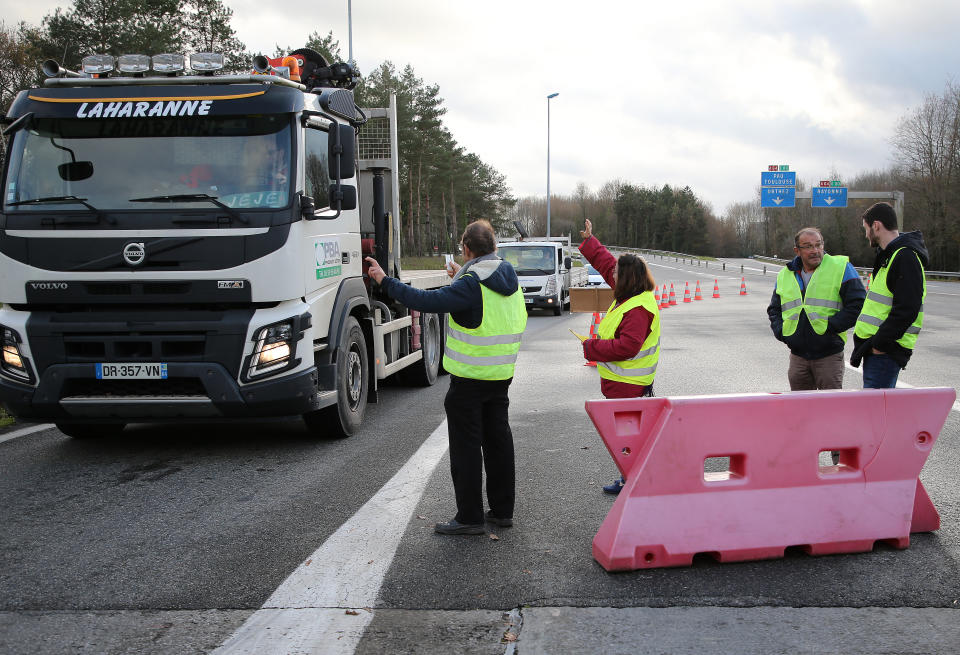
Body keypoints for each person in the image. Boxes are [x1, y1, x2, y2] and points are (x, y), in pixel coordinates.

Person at [365, 220, 527, 535]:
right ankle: (502, 510)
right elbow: (485, 307)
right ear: (494, 247)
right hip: (501, 375)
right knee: (498, 443)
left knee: (466, 449)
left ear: (467, 250)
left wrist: (385, 281)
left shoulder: (469, 283)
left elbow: (427, 301)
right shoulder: (509, 277)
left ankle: (469, 517)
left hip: (468, 380)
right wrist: (460, 279)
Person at [578, 219, 660, 495]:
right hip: (623, 383)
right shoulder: (632, 295)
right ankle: (631, 480)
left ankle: (631, 482)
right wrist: (591, 242)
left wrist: (592, 348)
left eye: (615, 273)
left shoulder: (637, 308)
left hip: (628, 384)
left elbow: (627, 347)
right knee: (627, 437)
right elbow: (606, 263)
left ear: (625, 279)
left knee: (628, 438)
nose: (610, 274)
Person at [766, 227, 865, 390]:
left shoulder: (840, 267)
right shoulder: (785, 274)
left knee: (830, 410)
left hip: (829, 355)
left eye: (818, 245)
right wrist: (782, 332)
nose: (815, 251)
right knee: (801, 410)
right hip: (798, 356)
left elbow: (858, 303)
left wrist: (831, 326)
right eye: (808, 246)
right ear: (797, 250)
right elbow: (774, 309)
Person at [851, 202, 929, 388]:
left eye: (866, 228)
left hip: (885, 352)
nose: (866, 234)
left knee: (877, 414)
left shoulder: (905, 257)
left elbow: (907, 309)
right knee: (876, 411)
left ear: (876, 226)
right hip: (878, 351)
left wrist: (879, 345)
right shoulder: (889, 255)